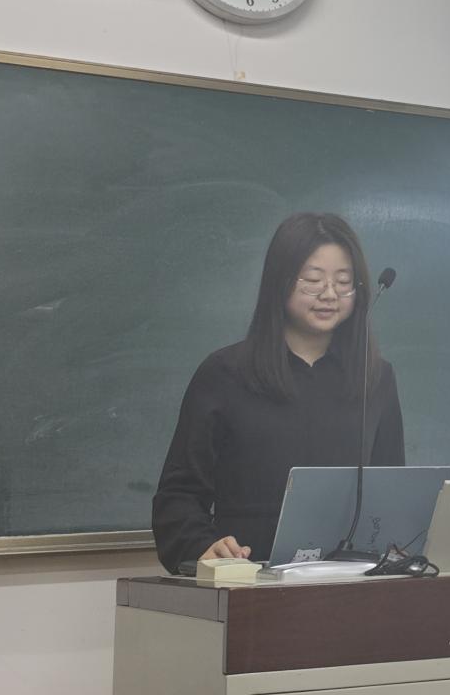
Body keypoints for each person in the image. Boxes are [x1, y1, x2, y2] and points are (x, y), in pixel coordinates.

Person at [152, 213, 404, 573]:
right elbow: (178, 497)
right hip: (249, 581)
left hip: (350, 585)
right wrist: (203, 546)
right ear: (280, 281)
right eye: (313, 281)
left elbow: (392, 493)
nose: (329, 294)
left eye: (343, 282)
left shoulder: (376, 378)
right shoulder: (224, 374)